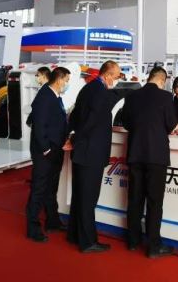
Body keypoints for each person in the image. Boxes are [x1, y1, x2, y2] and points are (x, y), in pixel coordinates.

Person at [117, 66, 178, 258]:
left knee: (135, 199)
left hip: (135, 153)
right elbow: (171, 124)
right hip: (156, 156)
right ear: (162, 80)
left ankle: (133, 241)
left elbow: (126, 123)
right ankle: (153, 246)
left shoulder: (132, 96)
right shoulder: (166, 97)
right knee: (154, 201)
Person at [67, 59, 122, 253]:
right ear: (108, 75)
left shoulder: (88, 89)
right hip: (91, 153)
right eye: (116, 76)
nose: (117, 80)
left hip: (83, 152)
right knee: (88, 199)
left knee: (80, 196)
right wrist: (75, 139)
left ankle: (75, 235)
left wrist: (72, 137)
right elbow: (90, 123)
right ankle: (88, 242)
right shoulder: (100, 93)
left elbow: (75, 117)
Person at [26, 66, 70, 243]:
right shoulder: (45, 96)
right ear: (59, 79)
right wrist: (47, 150)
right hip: (45, 152)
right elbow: (39, 126)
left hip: (55, 150)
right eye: (66, 80)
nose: (67, 84)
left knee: (51, 188)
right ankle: (33, 228)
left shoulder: (55, 96)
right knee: (39, 189)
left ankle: (52, 221)